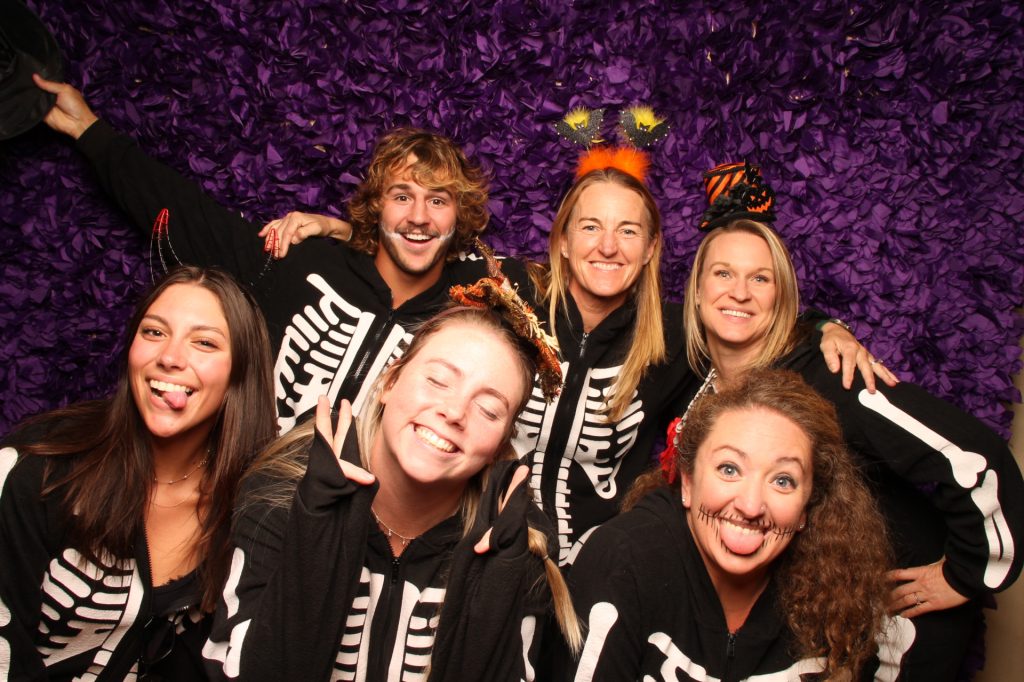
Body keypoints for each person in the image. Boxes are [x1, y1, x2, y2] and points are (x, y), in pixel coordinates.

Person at [269, 156, 893, 568]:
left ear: (651, 250)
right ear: (563, 240)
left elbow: (748, 312)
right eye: (590, 227)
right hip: (466, 540)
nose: (607, 246)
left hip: (590, 561)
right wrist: (337, 227)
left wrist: (824, 326)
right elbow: (417, 250)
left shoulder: (677, 334)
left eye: (628, 232)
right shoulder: (507, 289)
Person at [674, 162, 1024, 679]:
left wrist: (969, 574)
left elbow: (974, 458)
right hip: (812, 624)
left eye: (760, 278)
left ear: (781, 298)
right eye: (723, 273)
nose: (740, 292)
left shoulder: (832, 377)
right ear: (698, 291)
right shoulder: (704, 383)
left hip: (890, 635)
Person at [33, 75, 531, 433]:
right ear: (377, 206)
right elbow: (188, 215)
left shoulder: (477, 301)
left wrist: (340, 228)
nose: (419, 216)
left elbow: (570, 278)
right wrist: (89, 131)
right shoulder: (298, 263)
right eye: (402, 196)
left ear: (457, 216)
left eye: (438, 200)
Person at [201, 292, 581, 681]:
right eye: (437, 381)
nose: (453, 412)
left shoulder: (519, 547)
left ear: (498, 447)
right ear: (390, 381)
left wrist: (494, 594)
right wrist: (316, 540)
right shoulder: (281, 493)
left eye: (488, 409)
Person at [0, 266, 277, 679]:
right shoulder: (39, 468)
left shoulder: (246, 508)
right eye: (153, 332)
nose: (169, 357)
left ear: (240, 371)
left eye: (204, 342)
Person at [561, 369, 906, 680]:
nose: (751, 506)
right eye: (729, 469)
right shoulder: (622, 560)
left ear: (806, 508)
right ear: (688, 483)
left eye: (783, 481)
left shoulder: (836, 590)